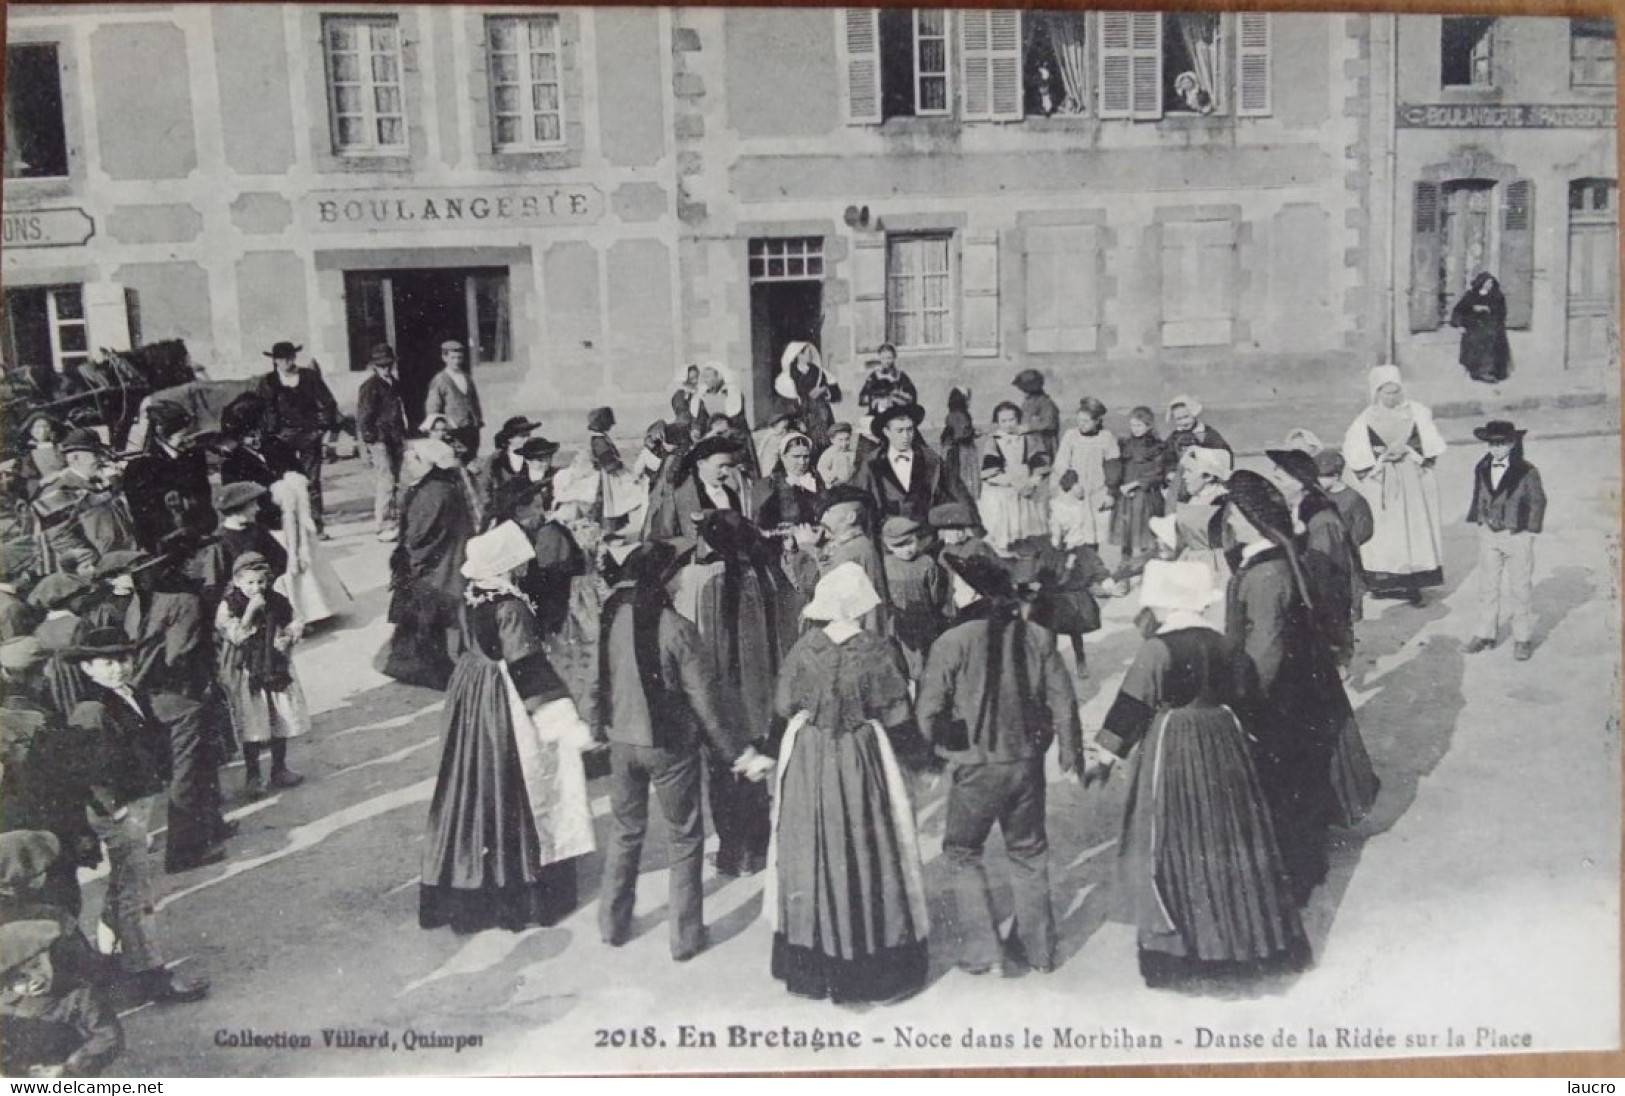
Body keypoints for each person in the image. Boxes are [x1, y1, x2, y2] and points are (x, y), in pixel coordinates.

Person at [1088, 561, 1309, 988]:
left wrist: (1105, 756)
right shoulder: (1225, 644)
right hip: (1224, 738)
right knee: (1229, 838)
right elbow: (1249, 698)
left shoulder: (1158, 649)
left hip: (1176, 740)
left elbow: (1131, 706)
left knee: (1171, 835)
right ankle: (1242, 940)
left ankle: (1180, 948)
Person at [766, 563, 933, 1004]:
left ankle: (813, 964)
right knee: (867, 848)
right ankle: (871, 966)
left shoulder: (804, 648)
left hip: (809, 757)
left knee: (813, 851)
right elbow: (898, 716)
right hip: (860, 757)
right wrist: (921, 762)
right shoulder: (877, 651)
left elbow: (783, 705)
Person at [597, 541, 771, 960]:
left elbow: (594, 677)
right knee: (684, 837)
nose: (681, 577)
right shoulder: (677, 629)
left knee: (625, 830)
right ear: (665, 577)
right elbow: (706, 703)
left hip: (621, 739)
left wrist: (594, 725)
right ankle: (685, 936)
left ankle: (612, 923)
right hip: (668, 746)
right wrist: (738, 753)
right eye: (676, 571)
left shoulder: (613, 616)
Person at [420, 522, 596, 934]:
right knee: (526, 778)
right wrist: (562, 720)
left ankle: (470, 881)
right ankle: (523, 887)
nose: (522, 569)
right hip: (506, 695)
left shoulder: (468, 597)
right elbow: (527, 666)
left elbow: (454, 648)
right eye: (518, 563)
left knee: (474, 781)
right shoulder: (511, 607)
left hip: (472, 689)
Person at [917, 552, 1079, 975]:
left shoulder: (951, 642)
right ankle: (1040, 950)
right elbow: (1063, 700)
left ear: (970, 592)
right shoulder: (1036, 636)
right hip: (1026, 761)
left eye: (956, 585)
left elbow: (928, 712)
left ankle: (981, 946)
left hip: (976, 765)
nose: (952, 592)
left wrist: (935, 756)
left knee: (961, 851)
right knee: (1028, 852)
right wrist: (1069, 751)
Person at [1221, 471, 1351, 906]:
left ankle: (1295, 878)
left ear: (1255, 520)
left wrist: (1243, 704)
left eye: (1236, 514)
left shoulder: (1264, 576)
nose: (1230, 522)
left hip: (1279, 699)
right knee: (1302, 779)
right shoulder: (1278, 560)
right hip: (1304, 691)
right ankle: (1307, 863)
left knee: (1283, 786)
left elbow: (1266, 649)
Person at [63, 628, 210, 1004]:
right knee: (137, 894)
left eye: (124, 659)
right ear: (87, 668)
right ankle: (151, 976)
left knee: (125, 888)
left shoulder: (125, 694)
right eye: (107, 662)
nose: (119, 668)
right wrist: (116, 807)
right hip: (118, 809)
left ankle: (115, 960)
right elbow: (91, 765)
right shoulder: (92, 708)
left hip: (135, 802)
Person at [670, 511, 801, 877]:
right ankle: (757, 848)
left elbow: (691, 641)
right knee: (756, 770)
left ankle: (734, 852)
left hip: (722, 694)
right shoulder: (765, 573)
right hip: (762, 691)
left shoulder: (701, 578)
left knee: (725, 773)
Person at [1263, 450, 1381, 827]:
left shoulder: (1322, 522)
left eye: (1280, 474)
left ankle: (1342, 800)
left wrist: (1335, 644)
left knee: (1324, 723)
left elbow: (1329, 587)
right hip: (1312, 629)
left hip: (1322, 631)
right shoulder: (1301, 514)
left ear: (1299, 481)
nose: (1275, 480)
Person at [122, 544, 235, 871]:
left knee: (194, 764)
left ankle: (212, 825)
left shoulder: (141, 603)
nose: (202, 562)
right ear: (179, 566)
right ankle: (184, 853)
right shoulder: (185, 603)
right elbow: (179, 654)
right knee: (188, 770)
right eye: (194, 557)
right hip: (180, 696)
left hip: (149, 696)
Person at [1341, 365, 1447, 605]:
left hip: (1411, 478)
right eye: (1386, 392)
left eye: (1395, 391)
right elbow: (1355, 452)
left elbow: (1430, 445)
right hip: (1382, 481)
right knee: (1386, 531)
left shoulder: (1416, 413)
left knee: (1412, 528)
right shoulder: (1365, 420)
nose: (1391, 397)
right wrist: (1379, 459)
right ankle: (1383, 581)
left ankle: (1413, 583)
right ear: (1376, 392)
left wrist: (1408, 450)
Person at [380, 439, 477, 691]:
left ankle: (432, 673)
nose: (407, 463)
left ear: (426, 462)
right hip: (442, 564)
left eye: (412, 458)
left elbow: (419, 535)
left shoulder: (434, 491)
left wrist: (411, 562)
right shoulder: (440, 486)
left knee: (428, 622)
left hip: (436, 569)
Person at [215, 553, 308, 801]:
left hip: (276, 665)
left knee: (279, 717)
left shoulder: (277, 600)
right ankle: (253, 775)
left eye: (261, 582)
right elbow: (234, 634)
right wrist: (250, 612)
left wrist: (288, 636)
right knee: (253, 722)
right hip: (248, 669)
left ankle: (280, 768)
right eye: (250, 583)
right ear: (237, 582)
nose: (256, 588)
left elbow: (295, 620)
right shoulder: (229, 604)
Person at [1465, 420, 1546, 661]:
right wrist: (1480, 520)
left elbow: (1538, 501)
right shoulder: (1482, 466)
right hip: (1489, 533)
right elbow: (1479, 494)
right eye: (1492, 443)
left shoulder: (1527, 470)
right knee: (1488, 586)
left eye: (1502, 443)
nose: (1496, 448)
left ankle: (1522, 638)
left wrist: (1530, 530)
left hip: (1516, 534)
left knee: (1519, 588)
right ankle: (1485, 633)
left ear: (1512, 443)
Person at [0, 920, 123, 1078]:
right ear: (6, 984)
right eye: (20, 977)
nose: (36, 978)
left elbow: (109, 1036)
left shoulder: (77, 994)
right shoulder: (5, 1008)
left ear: (47, 957)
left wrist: (72, 1066)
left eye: (37, 965)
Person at [255, 342, 339, 538]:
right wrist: (269, 433)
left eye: (291, 357)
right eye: (283, 358)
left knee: (312, 480)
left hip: (310, 435)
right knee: (284, 480)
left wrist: (322, 427)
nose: (288, 362)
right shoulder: (267, 382)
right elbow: (260, 409)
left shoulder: (309, 377)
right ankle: (287, 524)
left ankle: (316, 526)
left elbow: (328, 402)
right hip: (281, 438)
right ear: (275, 360)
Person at [31, 431, 135, 573]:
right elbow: (59, 537)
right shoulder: (60, 488)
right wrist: (92, 564)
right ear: (75, 458)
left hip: (117, 558)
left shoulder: (98, 482)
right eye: (96, 455)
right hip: (83, 570)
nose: (102, 460)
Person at [120, 403, 216, 557]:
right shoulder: (140, 468)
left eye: (190, 435)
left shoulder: (194, 458)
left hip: (200, 536)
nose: (189, 441)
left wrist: (204, 527)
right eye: (182, 436)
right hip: (166, 544)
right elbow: (143, 516)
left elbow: (204, 498)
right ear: (161, 436)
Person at [854, 403, 960, 522]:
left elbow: (947, 496)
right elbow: (861, 501)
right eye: (899, 431)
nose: (906, 436)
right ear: (886, 432)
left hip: (926, 533)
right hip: (888, 535)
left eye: (910, 430)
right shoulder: (871, 463)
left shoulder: (931, 460)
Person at [643, 435, 745, 546]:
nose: (726, 472)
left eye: (728, 466)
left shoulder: (731, 495)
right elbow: (660, 540)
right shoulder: (679, 496)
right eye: (720, 466)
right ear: (700, 463)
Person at [879, 515, 947, 682]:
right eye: (899, 546)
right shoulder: (884, 565)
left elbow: (935, 594)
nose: (907, 549)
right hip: (898, 623)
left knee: (924, 664)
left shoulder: (926, 563)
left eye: (910, 542)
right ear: (888, 546)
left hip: (924, 621)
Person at [816, 485, 890, 635]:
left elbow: (824, 590)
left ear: (850, 517)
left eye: (829, 511)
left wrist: (804, 550)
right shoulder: (858, 545)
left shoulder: (851, 551)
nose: (823, 517)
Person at [1053, 397, 1119, 563]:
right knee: (1072, 533)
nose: (1081, 424)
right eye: (1079, 420)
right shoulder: (1070, 436)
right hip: (1074, 492)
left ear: (1097, 421)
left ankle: (1090, 574)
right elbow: (1061, 463)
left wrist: (1110, 492)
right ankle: (1066, 573)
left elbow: (1113, 466)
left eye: (1086, 421)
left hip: (1097, 492)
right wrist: (1072, 484)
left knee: (1092, 535)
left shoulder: (1106, 437)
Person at [355, 344, 410, 541]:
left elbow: (398, 411)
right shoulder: (370, 387)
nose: (385, 368)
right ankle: (383, 524)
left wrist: (402, 434)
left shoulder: (393, 383)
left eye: (388, 364)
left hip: (395, 438)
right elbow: (364, 418)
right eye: (381, 365)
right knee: (385, 481)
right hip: (380, 441)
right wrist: (373, 440)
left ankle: (395, 521)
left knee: (397, 479)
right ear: (374, 366)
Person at [979, 402, 1046, 556]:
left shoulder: (1027, 438)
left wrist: (1033, 481)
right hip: (1005, 491)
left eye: (1012, 420)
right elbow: (991, 471)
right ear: (997, 422)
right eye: (1003, 421)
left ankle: (1028, 561)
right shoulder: (994, 441)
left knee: (1027, 528)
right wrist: (1011, 482)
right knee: (1006, 531)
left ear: (1018, 419)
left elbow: (1039, 462)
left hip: (1026, 488)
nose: (1008, 424)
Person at [1111, 407, 1167, 586]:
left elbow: (1158, 472)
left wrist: (1136, 484)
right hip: (1126, 496)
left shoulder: (1156, 447)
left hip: (1145, 496)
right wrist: (1118, 487)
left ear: (1149, 426)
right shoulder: (1125, 445)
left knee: (1144, 535)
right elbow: (1118, 468)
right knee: (1126, 535)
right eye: (1132, 425)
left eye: (1139, 425)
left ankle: (1147, 571)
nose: (1135, 429)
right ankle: (1124, 572)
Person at [1163, 395, 1232, 505]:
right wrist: (1170, 472)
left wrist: (1210, 473)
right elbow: (1167, 457)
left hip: (1206, 481)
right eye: (1178, 419)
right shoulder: (1174, 437)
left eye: (1186, 417)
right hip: (1184, 479)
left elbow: (1224, 456)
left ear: (1194, 414)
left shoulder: (1207, 434)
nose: (1183, 422)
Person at [423, 340, 484, 460]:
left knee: (472, 460)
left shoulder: (466, 377)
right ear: (444, 357)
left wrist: (478, 420)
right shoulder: (440, 380)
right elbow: (432, 408)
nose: (456, 361)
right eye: (452, 358)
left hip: (471, 429)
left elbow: (474, 401)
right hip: (453, 431)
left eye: (459, 358)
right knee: (456, 462)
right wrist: (437, 430)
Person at [774, 342, 840, 450]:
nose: (810, 355)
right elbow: (790, 401)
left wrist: (823, 390)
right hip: (802, 412)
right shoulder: (790, 375)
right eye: (807, 353)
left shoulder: (818, 371)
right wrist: (798, 420)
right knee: (804, 443)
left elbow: (834, 392)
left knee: (824, 442)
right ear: (798, 355)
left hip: (820, 412)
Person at [1450, 272, 1511, 384]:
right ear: (1481, 282)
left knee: (1490, 342)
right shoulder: (1471, 295)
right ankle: (1475, 370)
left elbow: (1502, 312)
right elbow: (1459, 310)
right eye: (1488, 282)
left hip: (1491, 327)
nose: (1490, 285)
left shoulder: (1497, 296)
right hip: (1473, 326)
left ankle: (1487, 371)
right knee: (1474, 342)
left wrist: (1488, 309)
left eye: (1491, 283)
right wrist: (1460, 325)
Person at [1012, 369, 1061, 459]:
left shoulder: (1046, 403)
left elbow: (1050, 423)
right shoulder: (1028, 402)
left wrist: (1028, 427)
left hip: (1044, 445)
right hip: (1030, 445)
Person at [940, 388, 980, 501]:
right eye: (967, 399)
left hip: (952, 450)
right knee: (963, 478)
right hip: (961, 451)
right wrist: (973, 433)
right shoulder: (961, 415)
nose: (969, 402)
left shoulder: (951, 415)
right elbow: (961, 435)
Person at [816, 422, 860, 489]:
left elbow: (856, 467)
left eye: (847, 439)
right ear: (832, 440)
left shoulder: (852, 453)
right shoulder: (830, 453)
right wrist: (831, 478)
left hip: (851, 484)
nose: (844, 443)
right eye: (840, 440)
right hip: (835, 485)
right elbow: (822, 467)